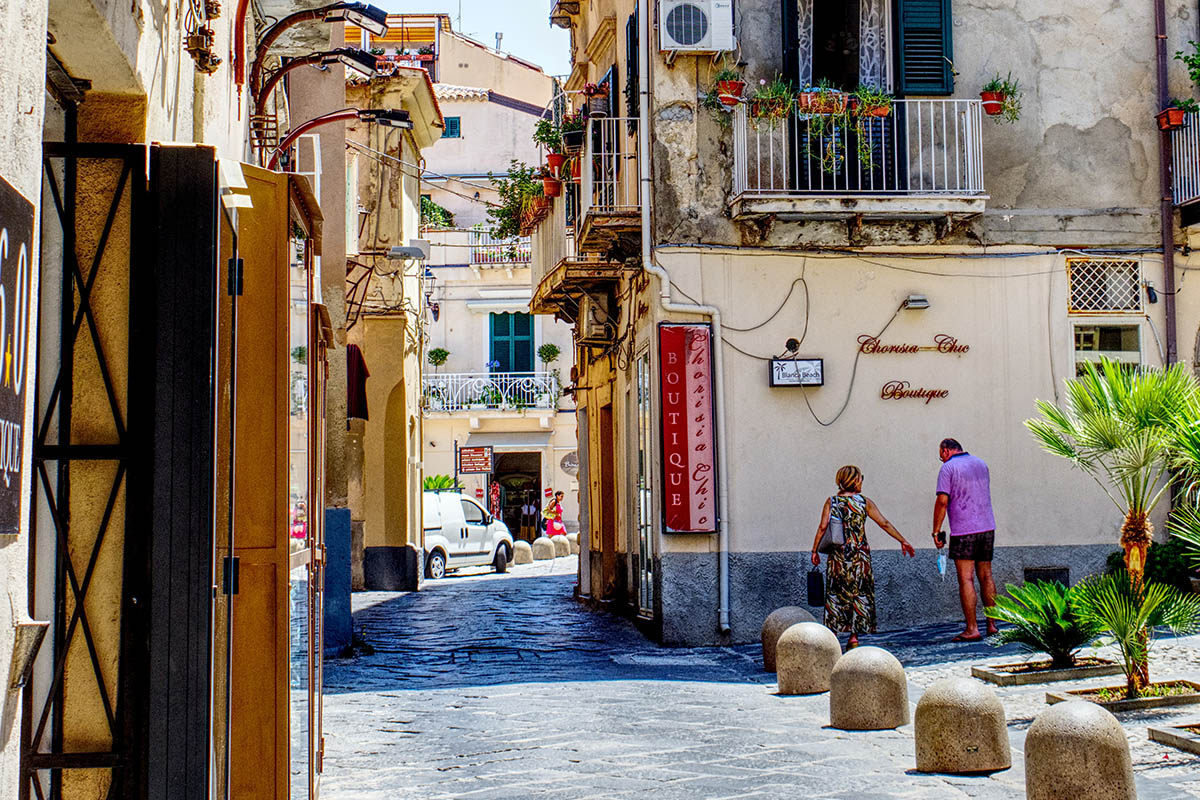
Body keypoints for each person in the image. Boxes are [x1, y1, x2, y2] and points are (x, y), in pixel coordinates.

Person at [810, 466, 916, 648]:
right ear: (855, 480)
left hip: (838, 557)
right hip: (860, 557)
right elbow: (884, 523)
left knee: (835, 593)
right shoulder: (864, 502)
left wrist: (814, 550)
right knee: (859, 594)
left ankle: (833, 636)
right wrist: (902, 540)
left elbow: (822, 527)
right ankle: (854, 637)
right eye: (861, 478)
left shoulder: (832, 501)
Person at [931, 438, 998, 642]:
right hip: (987, 526)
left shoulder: (948, 469)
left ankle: (972, 628)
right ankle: (993, 624)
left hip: (963, 530)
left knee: (966, 578)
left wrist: (936, 530)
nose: (940, 458)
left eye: (940, 453)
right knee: (986, 576)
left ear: (946, 450)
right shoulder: (981, 463)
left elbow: (943, 501)